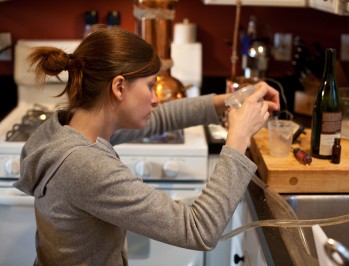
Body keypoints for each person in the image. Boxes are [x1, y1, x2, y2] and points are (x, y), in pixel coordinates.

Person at [14, 25, 280, 266]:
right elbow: (198, 230)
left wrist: (230, 100)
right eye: (150, 86)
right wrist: (239, 137)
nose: (155, 99)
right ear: (119, 87)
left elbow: (162, 117)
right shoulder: (84, 165)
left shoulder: (65, 128)